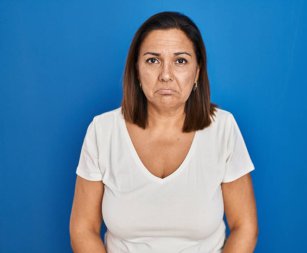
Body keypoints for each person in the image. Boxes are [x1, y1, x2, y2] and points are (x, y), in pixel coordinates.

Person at [69, 11, 258, 253]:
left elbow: (245, 226)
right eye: (152, 60)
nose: (166, 75)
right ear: (136, 70)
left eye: (180, 61)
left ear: (197, 71)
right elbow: (82, 228)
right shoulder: (102, 131)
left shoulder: (223, 128)